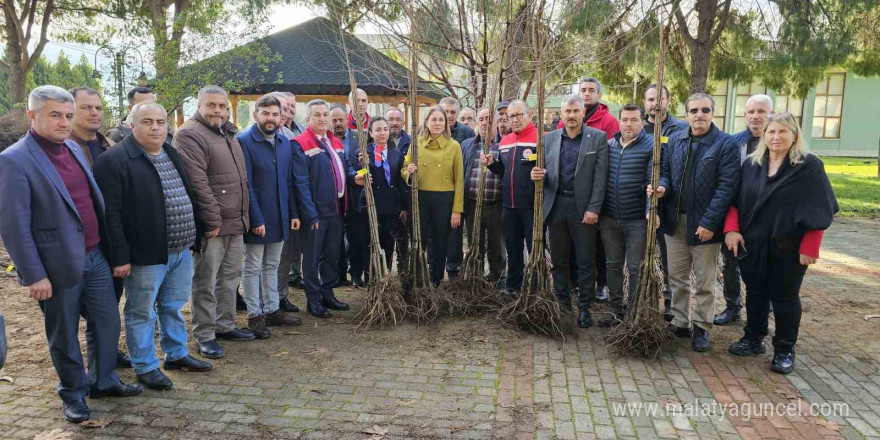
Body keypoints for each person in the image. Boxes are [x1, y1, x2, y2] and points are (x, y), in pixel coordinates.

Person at [0, 86, 142, 423]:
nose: (64, 122)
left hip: (95, 256)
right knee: (64, 335)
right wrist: (33, 274)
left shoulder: (75, 150)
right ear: (32, 116)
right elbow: (14, 226)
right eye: (55, 115)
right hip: (56, 265)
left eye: (67, 115)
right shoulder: (14, 160)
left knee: (107, 322)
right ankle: (73, 394)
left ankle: (103, 380)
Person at [94, 101, 212, 391]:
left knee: (172, 306)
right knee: (141, 312)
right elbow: (110, 215)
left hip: (180, 251)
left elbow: (187, 194)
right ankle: (145, 366)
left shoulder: (171, 152)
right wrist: (120, 256)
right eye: (147, 122)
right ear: (132, 125)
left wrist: (194, 236)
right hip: (145, 256)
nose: (156, 127)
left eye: (161, 122)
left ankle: (176, 354)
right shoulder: (115, 160)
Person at [724, 113, 837, 374]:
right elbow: (735, 201)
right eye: (771, 132)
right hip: (754, 243)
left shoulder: (809, 167)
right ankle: (753, 338)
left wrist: (811, 245)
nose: (776, 137)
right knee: (756, 292)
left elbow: (821, 209)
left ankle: (785, 348)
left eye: (782, 132)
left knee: (785, 297)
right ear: (763, 135)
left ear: (795, 135)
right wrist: (731, 230)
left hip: (789, 246)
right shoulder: (751, 165)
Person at [651, 93, 740, 352]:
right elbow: (666, 172)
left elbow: (727, 187)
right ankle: (681, 321)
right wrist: (662, 188)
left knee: (704, 280)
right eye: (693, 111)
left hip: (705, 226)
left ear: (713, 113)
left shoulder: (725, 144)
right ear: (686, 114)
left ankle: (702, 326)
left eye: (704, 110)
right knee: (677, 276)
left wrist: (711, 221)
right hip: (674, 221)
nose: (699, 115)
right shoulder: (676, 139)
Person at [174, 86, 253, 360]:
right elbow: (198, 184)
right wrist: (210, 222)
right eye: (211, 105)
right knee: (205, 282)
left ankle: (225, 324)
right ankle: (205, 335)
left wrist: (245, 217)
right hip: (213, 226)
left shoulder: (229, 133)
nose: (217, 110)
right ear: (199, 105)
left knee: (230, 279)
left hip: (235, 222)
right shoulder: (190, 134)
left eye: (221, 106)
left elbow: (240, 180)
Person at [66, 87, 131, 368]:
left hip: (110, 242)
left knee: (106, 309)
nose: (94, 113)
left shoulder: (109, 148)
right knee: (75, 314)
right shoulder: (62, 150)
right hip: (74, 248)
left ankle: (106, 358)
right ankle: (76, 375)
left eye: (99, 108)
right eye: (86, 107)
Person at [532, 95, 608, 328]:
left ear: (583, 113)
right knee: (558, 260)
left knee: (586, 260)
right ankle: (563, 302)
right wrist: (536, 176)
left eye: (576, 111)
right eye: (567, 111)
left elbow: (600, 178)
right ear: (561, 114)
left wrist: (594, 208)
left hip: (583, 209)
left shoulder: (597, 138)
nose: (571, 115)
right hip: (556, 206)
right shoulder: (549, 139)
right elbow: (542, 172)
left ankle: (584, 307)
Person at [239, 94, 306, 339]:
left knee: (272, 265)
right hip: (257, 218)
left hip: (280, 215)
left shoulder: (283, 141)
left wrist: (294, 213)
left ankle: (272, 310)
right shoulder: (244, 141)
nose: (271, 118)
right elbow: (247, 185)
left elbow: (288, 180)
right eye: (265, 113)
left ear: (282, 116)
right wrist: (255, 219)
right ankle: (255, 314)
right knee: (253, 266)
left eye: (275, 114)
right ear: (256, 114)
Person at [715, 94, 773, 326]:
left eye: (761, 111)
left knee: (764, 266)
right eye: (750, 112)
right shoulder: (734, 142)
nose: (755, 116)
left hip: (767, 219)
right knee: (731, 263)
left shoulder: (778, 141)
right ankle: (732, 306)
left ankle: (761, 311)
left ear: (770, 113)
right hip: (736, 215)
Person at [598, 104, 657, 327]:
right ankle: (615, 310)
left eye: (633, 120)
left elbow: (655, 180)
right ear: (619, 121)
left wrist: (650, 210)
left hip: (637, 221)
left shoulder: (651, 146)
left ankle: (634, 311)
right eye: (624, 119)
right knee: (612, 265)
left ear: (643, 123)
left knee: (635, 267)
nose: (628, 124)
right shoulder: (610, 145)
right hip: (610, 218)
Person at [294, 99, 351, 317]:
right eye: (317, 115)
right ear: (308, 119)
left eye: (325, 114)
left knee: (332, 256)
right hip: (316, 214)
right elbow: (300, 183)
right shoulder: (300, 144)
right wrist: (310, 214)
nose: (322, 119)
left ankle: (328, 294)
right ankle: (314, 299)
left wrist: (354, 177)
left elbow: (341, 171)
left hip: (337, 210)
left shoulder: (334, 141)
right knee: (312, 258)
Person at [642, 83, 690, 321]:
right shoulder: (637, 127)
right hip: (638, 202)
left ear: (668, 101)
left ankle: (671, 303)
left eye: (659, 99)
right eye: (650, 99)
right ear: (644, 103)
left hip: (667, 202)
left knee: (670, 257)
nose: (654, 104)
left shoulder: (680, 129)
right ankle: (642, 298)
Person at [403, 106, 464, 286]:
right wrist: (409, 172)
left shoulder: (454, 146)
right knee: (418, 238)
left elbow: (459, 180)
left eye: (441, 120)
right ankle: (417, 276)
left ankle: (436, 279)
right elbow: (404, 168)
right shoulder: (416, 144)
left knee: (440, 241)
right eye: (434, 119)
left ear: (445, 123)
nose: (437, 123)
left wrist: (457, 210)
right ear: (427, 122)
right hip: (420, 198)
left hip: (444, 199)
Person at [482, 100, 538, 294]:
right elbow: (503, 171)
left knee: (534, 251)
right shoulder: (505, 141)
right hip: (509, 206)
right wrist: (491, 164)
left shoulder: (541, 138)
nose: (514, 119)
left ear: (529, 114)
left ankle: (535, 289)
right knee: (513, 250)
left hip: (532, 207)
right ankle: (513, 287)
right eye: (510, 116)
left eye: (518, 115)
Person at [352, 117, 408, 271]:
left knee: (388, 244)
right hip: (370, 205)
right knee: (369, 244)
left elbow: (400, 181)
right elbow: (359, 174)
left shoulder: (396, 153)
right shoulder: (363, 152)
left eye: (385, 129)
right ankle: (371, 277)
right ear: (370, 132)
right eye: (378, 129)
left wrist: (404, 206)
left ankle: (386, 276)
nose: (382, 133)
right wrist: (363, 166)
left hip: (391, 206)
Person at [462, 107, 505, 284]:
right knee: (475, 243)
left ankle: (497, 278)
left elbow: (507, 172)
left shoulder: (505, 144)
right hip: (473, 204)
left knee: (496, 245)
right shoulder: (467, 144)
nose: (485, 122)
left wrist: (494, 164)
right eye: (481, 119)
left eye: (489, 118)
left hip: (497, 204)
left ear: (496, 121)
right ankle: (475, 278)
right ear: (476, 122)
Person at [276, 92, 308, 308]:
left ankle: (278, 295)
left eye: (289, 107)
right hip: (269, 206)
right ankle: (271, 299)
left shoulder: (292, 135)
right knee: (269, 258)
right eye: (282, 108)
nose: (286, 112)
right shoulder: (250, 138)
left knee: (285, 253)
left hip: (290, 202)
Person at [439, 97, 475, 281]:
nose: (449, 115)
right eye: (446, 111)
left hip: (459, 189)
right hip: (437, 190)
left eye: (453, 112)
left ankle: (454, 269)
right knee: (435, 233)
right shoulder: (432, 130)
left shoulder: (466, 132)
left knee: (455, 232)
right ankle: (434, 268)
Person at [333, 104, 367, 287]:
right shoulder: (327, 141)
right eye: (334, 120)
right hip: (334, 198)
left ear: (347, 118)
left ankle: (356, 274)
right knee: (336, 238)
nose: (338, 123)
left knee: (356, 238)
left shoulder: (359, 137)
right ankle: (338, 275)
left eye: (341, 119)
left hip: (356, 195)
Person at [107, 87, 172, 144]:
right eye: (144, 106)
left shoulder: (167, 132)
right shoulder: (117, 136)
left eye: (152, 104)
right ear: (130, 108)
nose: (150, 109)